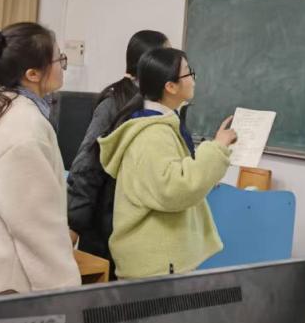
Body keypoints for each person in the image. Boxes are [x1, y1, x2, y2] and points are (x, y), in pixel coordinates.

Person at [0, 22, 81, 301]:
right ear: (32, 74)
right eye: (59, 59)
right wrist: (64, 293)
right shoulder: (25, 125)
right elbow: (35, 225)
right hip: (6, 286)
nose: (62, 66)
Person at [99, 48, 237, 279]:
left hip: (161, 263)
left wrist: (212, 161)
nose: (193, 79)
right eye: (188, 73)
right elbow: (174, 188)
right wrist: (217, 148)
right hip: (155, 266)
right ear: (170, 87)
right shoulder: (152, 135)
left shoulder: (162, 127)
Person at [67, 30, 168, 266]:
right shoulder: (114, 103)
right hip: (107, 229)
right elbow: (87, 164)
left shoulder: (158, 106)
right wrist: (74, 224)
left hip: (141, 231)